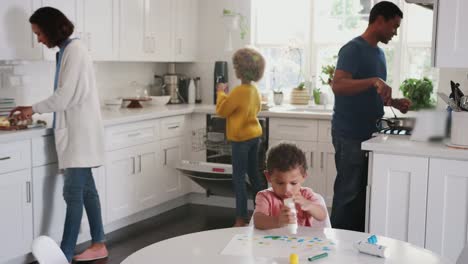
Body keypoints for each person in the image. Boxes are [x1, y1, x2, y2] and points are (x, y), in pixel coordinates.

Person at [10, 7, 107, 262]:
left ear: (52, 29)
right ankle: (99, 243)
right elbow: (67, 96)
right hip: (78, 131)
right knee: (87, 192)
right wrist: (35, 110)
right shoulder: (67, 51)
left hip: (80, 134)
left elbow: (64, 96)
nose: (39, 39)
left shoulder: (74, 51)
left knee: (73, 194)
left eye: (39, 33)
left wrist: (33, 109)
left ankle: (63, 254)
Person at [330, 1, 412, 232]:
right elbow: (338, 85)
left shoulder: (379, 54)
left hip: (371, 134)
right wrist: (374, 80)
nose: (395, 32)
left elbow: (372, 92)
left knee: (363, 195)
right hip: (350, 134)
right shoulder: (352, 49)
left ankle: (355, 244)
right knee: (348, 193)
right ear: (380, 20)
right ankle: (336, 243)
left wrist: (394, 102)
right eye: (394, 26)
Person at [216, 47, 267, 227]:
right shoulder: (254, 90)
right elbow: (257, 109)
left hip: (240, 141)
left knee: (238, 178)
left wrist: (221, 92)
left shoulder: (239, 91)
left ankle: (241, 218)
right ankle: (263, 212)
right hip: (255, 137)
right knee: (255, 175)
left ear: (239, 70)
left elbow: (222, 111)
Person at [253, 143, 327, 230]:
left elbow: (322, 215)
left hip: (301, 242)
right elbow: (258, 220)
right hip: (272, 242)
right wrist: (277, 221)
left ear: (303, 177)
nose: (286, 190)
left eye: (293, 183)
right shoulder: (265, 197)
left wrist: (309, 205)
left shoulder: (306, 195)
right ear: (268, 177)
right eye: (280, 183)